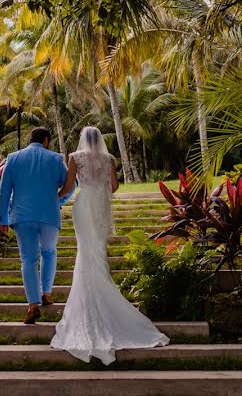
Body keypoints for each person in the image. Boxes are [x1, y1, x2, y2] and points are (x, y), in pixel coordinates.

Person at [50, 126, 169, 364]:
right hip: (100, 207)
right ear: (100, 141)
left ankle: (90, 297)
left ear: (83, 140)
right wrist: (100, 188)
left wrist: (54, 196)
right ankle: (102, 290)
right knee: (97, 252)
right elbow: (114, 186)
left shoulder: (75, 158)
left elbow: (69, 185)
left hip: (83, 205)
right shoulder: (108, 159)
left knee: (85, 251)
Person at [0, 127, 72, 324]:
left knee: (28, 260)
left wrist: (2, 218)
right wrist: (60, 200)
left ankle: (32, 305)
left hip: (22, 216)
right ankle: (46, 293)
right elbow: (71, 184)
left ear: (30, 140)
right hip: (49, 215)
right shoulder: (56, 159)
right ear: (46, 140)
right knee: (49, 253)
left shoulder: (13, 158)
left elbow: (4, 191)